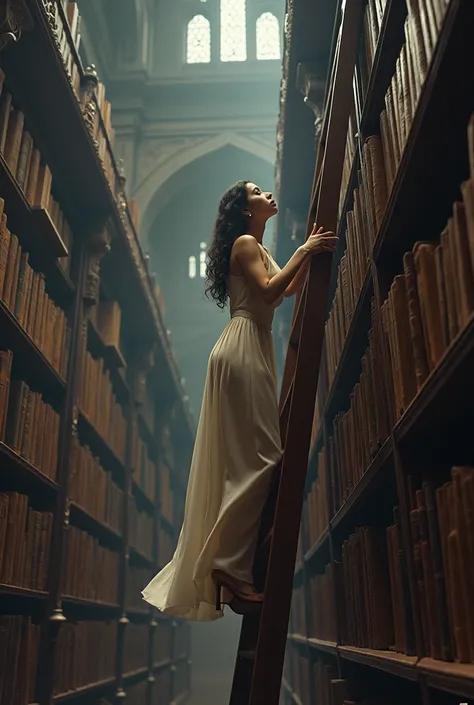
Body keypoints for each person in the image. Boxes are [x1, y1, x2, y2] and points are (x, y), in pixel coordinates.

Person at [142, 180, 337, 621]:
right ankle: (228, 566)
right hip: (244, 343)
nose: (267, 194)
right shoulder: (245, 242)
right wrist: (306, 250)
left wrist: (304, 255)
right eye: (256, 191)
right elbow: (268, 294)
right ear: (244, 209)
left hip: (254, 345)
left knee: (256, 456)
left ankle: (229, 564)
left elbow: (284, 291)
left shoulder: (257, 247)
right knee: (264, 456)